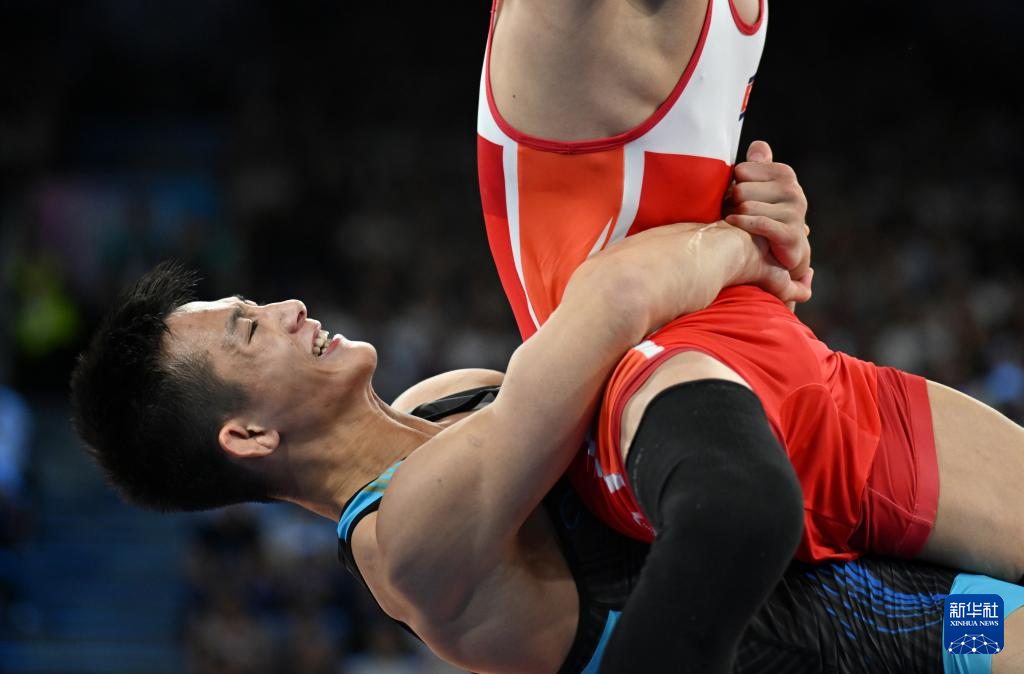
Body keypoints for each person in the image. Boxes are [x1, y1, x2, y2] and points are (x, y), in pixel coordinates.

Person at [480, 2, 1024, 670]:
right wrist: (735, 245)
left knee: (986, 632)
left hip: (797, 368)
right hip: (657, 379)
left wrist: (759, 218)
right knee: (743, 512)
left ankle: (960, 629)